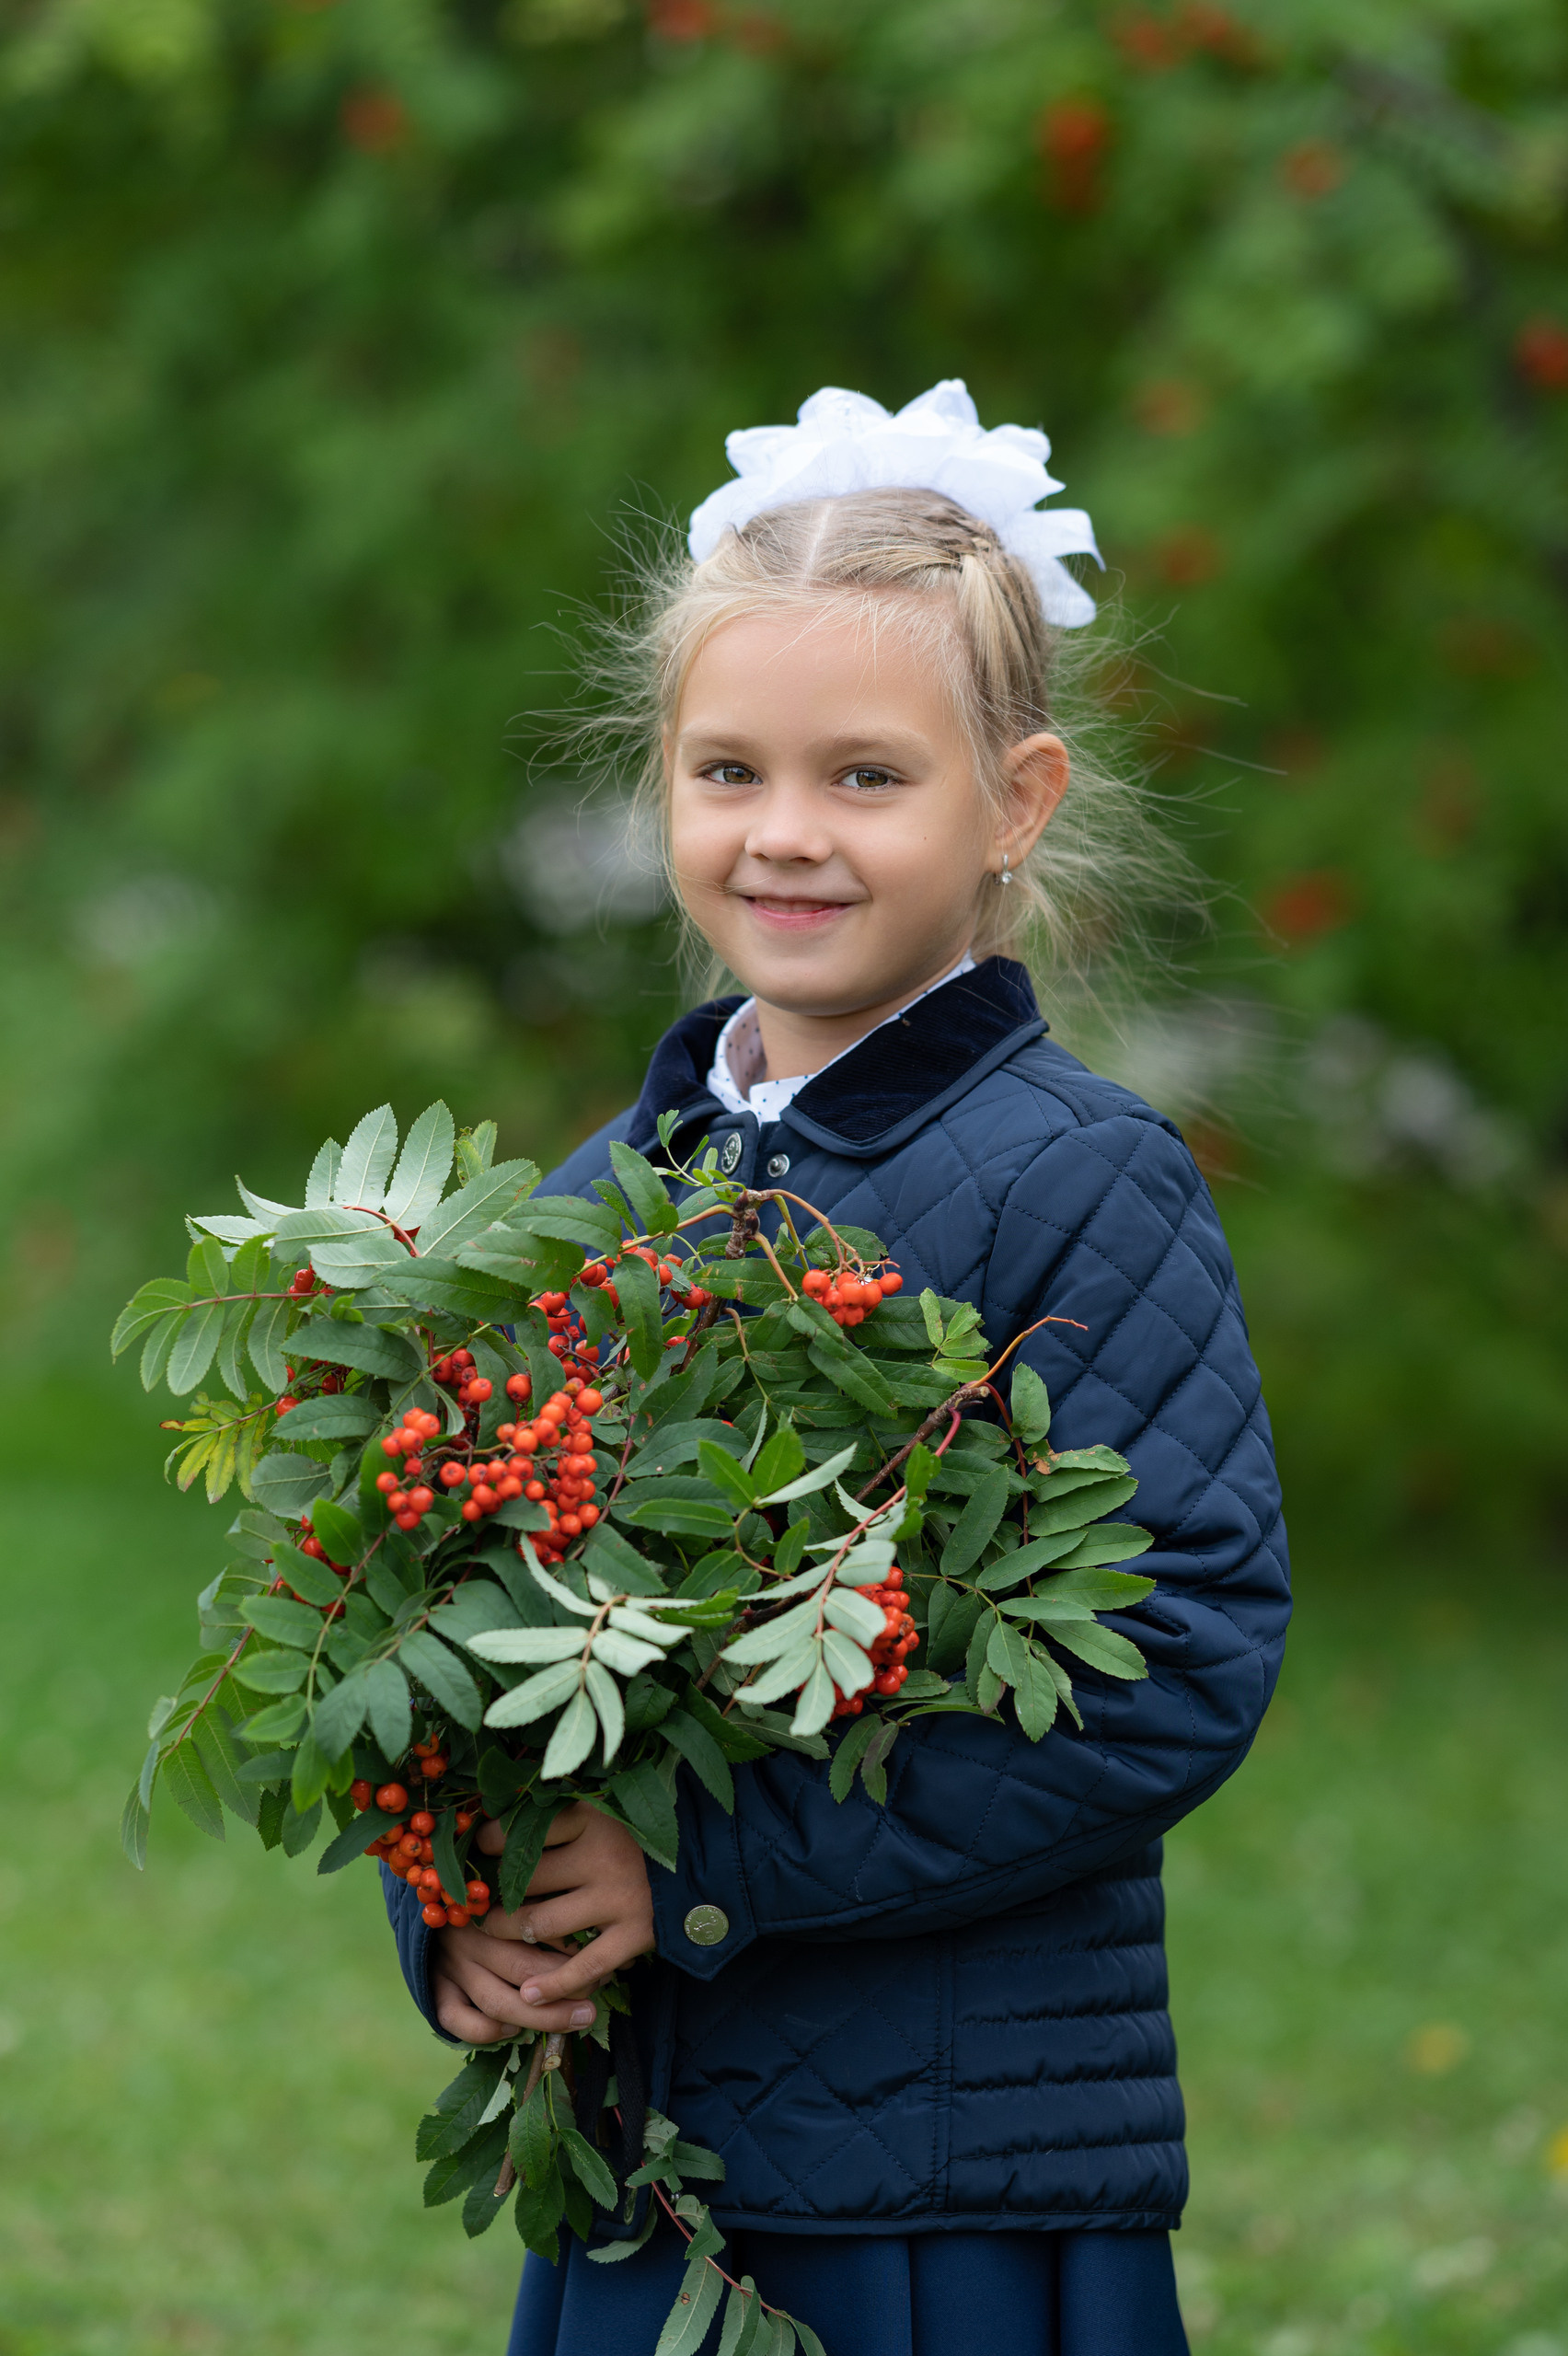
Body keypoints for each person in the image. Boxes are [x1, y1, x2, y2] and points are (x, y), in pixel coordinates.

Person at [384, 381, 1291, 2355]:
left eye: (866, 777)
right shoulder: (608, 1191)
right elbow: (469, 1606)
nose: (785, 833)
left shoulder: (1079, 1181)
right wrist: (475, 1894)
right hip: (656, 2162)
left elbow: (1180, 1654)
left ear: (1017, 802)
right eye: (729, 769)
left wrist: (700, 1864)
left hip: (947, 2170)